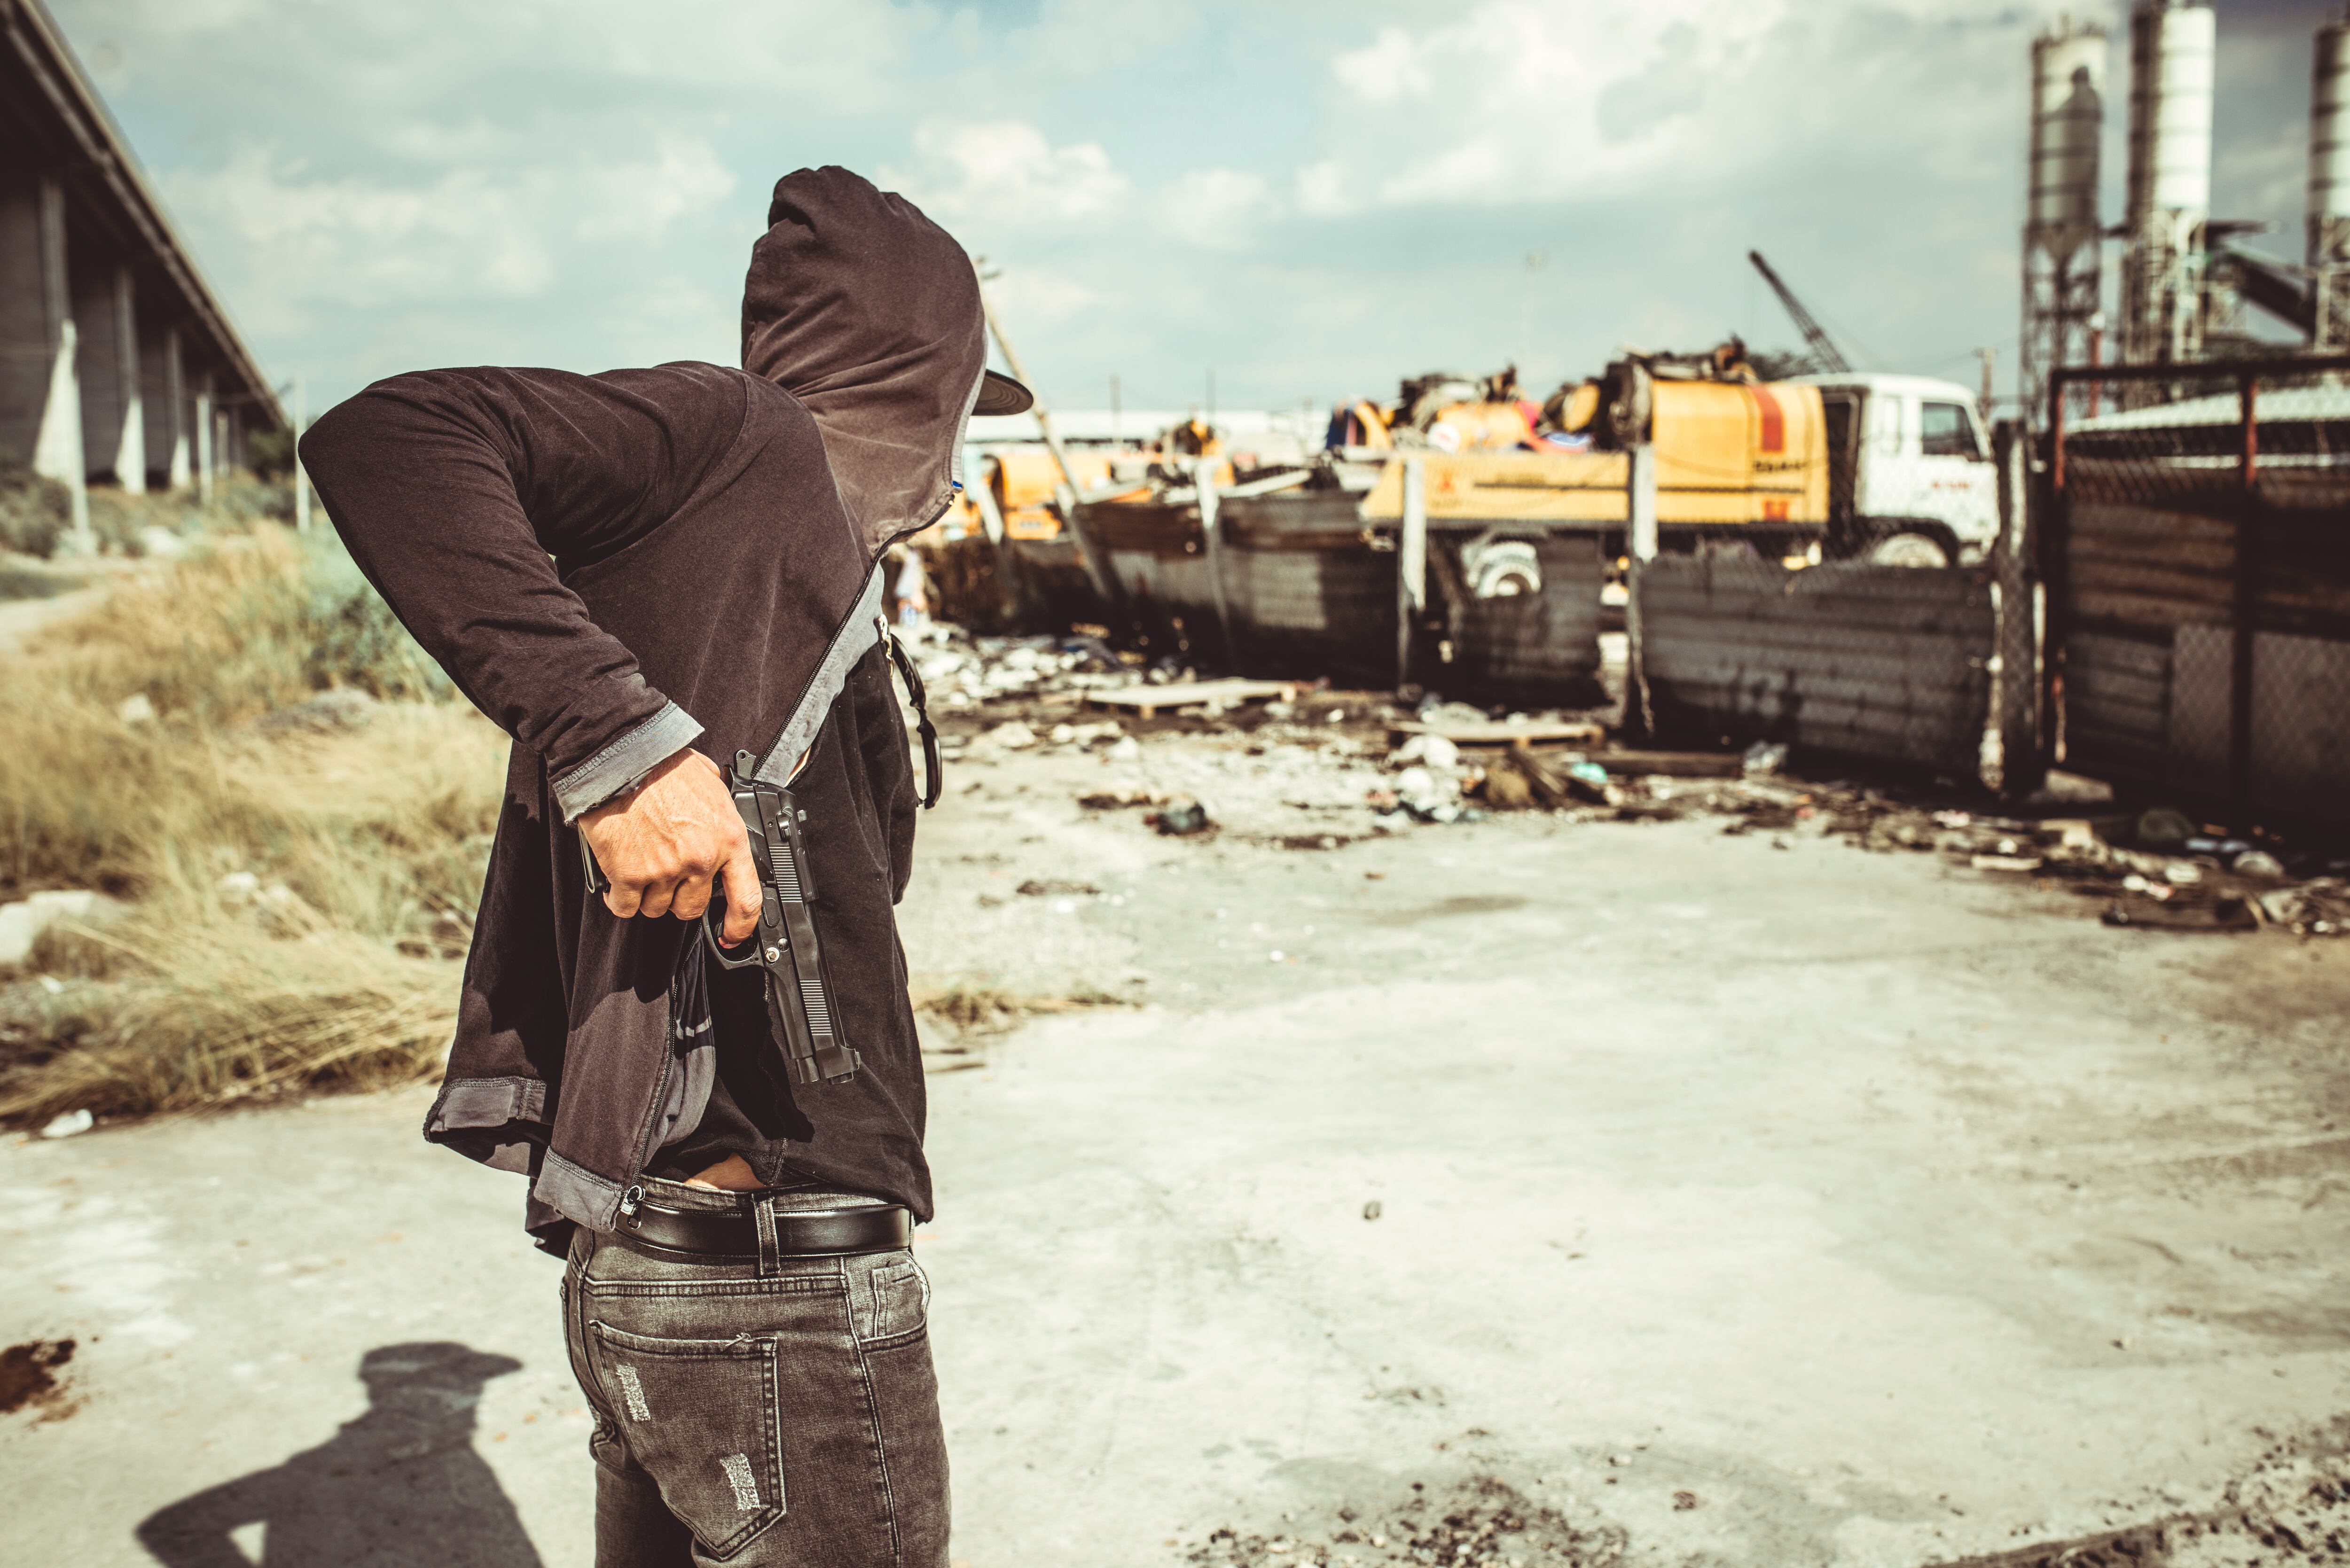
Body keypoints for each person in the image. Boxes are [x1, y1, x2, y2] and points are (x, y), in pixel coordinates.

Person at [299, 166, 1030, 1568]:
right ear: (911, 380)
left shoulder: (758, 558)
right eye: (955, 412)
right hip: (771, 1287)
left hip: (674, 1261)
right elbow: (389, 436)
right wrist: (621, 751)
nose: (955, 469)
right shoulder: (741, 443)